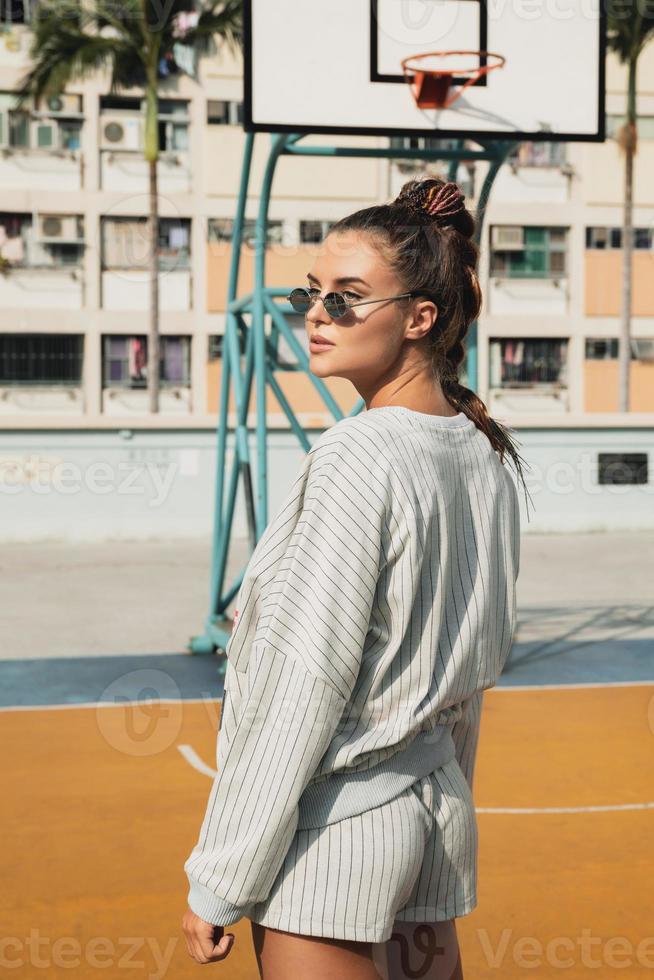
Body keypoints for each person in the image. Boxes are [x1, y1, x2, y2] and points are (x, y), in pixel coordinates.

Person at [181, 176, 527, 979]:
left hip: (338, 832)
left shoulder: (356, 455)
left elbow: (304, 681)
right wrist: (450, 794)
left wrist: (221, 876)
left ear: (420, 317)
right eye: (314, 295)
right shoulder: (484, 451)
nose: (317, 315)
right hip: (432, 814)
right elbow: (472, 671)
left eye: (347, 298)